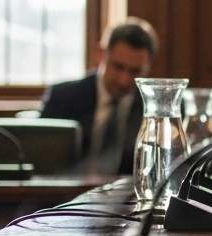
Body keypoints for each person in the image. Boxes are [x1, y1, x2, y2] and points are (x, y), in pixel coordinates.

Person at [40, 18, 158, 175]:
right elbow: (41, 162)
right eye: (118, 67)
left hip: (125, 197)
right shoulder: (63, 97)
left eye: (135, 71)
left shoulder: (155, 107)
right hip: (67, 195)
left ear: (149, 65)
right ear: (100, 54)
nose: (124, 81)